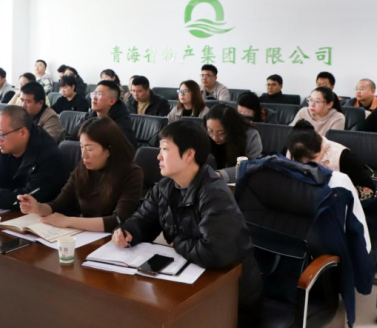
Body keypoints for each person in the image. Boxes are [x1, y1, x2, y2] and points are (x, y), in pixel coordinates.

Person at [113, 121, 263, 327]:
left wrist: (178, 242)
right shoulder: (165, 187)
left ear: (189, 154)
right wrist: (129, 230)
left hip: (231, 296)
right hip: (189, 280)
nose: (158, 156)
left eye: (165, 149)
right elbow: (144, 219)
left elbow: (216, 252)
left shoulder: (214, 194)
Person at [19, 117, 143, 232]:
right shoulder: (84, 167)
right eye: (81, 147)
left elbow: (118, 220)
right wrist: (37, 207)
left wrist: (68, 221)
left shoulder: (132, 173)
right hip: (85, 235)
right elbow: (58, 204)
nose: (83, 155)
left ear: (109, 150)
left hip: (113, 240)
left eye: (89, 149)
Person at [288, 120, 377, 204]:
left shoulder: (344, 157)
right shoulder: (291, 150)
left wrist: (344, 195)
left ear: (321, 148)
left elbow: (370, 191)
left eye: (310, 160)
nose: (306, 165)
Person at [205, 104, 262, 183]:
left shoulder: (250, 136)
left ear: (232, 129)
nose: (215, 137)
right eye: (210, 131)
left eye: (221, 132)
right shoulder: (203, 134)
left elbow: (252, 166)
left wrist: (220, 175)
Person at [72, 80, 137, 147]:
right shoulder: (89, 116)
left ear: (111, 101)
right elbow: (72, 137)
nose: (94, 98)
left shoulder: (122, 121)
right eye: (94, 94)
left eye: (99, 94)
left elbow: (122, 146)